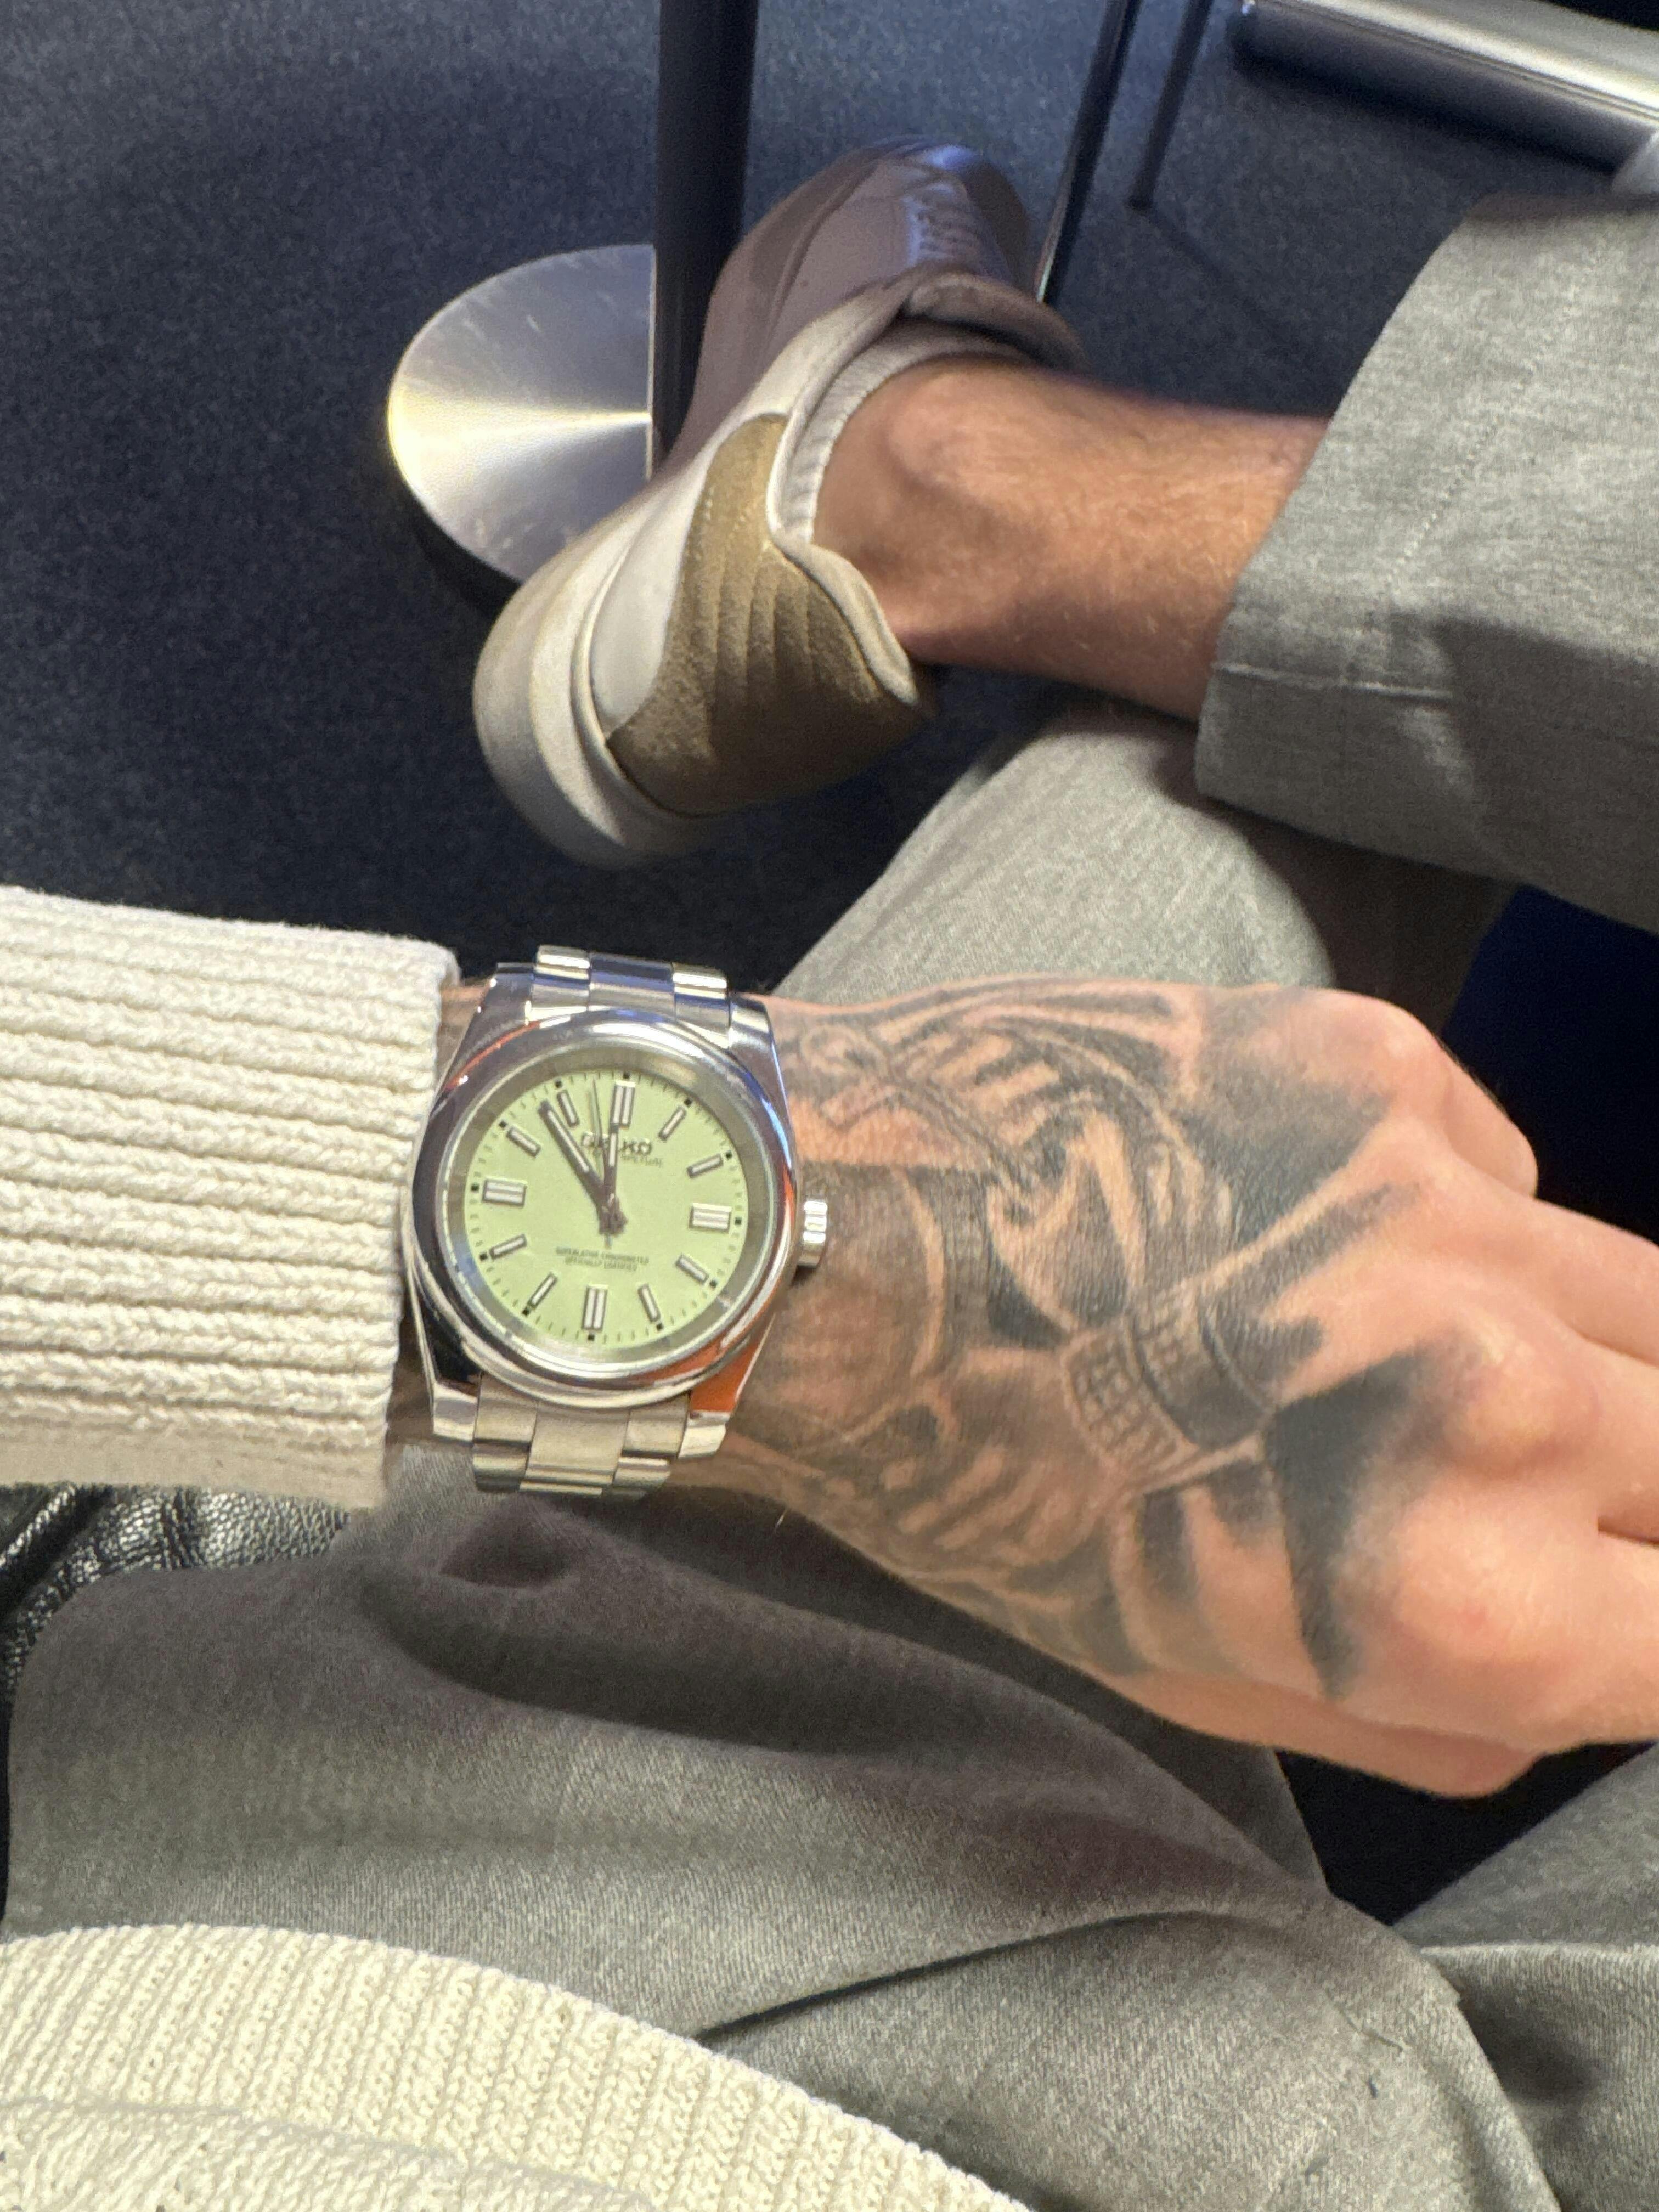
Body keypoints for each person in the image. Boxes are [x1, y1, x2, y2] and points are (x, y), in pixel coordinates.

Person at [1, 140, 1656, 2209]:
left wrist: (838, 1256)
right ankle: (960, 487)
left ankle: (938, 496)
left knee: (1260, 840)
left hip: (347, 1968)